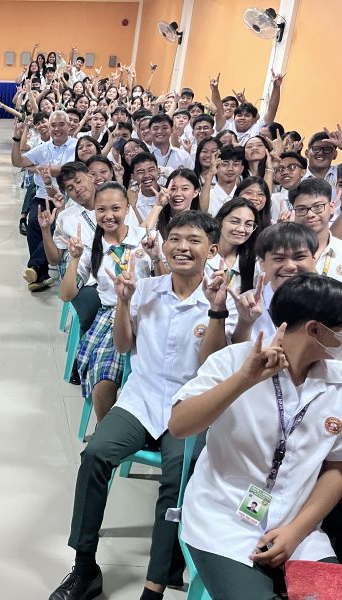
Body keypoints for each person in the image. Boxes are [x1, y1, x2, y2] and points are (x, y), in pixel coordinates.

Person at [49, 211, 236, 600]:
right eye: (176, 239)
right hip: (142, 397)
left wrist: (216, 311)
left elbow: (211, 365)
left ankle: (154, 586)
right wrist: (123, 302)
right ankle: (84, 567)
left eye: (194, 240)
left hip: (191, 406)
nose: (183, 247)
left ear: (212, 250)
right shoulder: (146, 288)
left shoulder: (221, 299)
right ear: (164, 244)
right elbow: (122, 346)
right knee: (95, 455)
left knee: (175, 483)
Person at [170, 273, 342, 599]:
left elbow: (337, 469)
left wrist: (296, 532)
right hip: (224, 521)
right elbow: (179, 425)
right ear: (315, 329)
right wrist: (243, 380)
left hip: (300, 527)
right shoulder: (235, 360)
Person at [63, 182, 155, 419]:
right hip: (111, 316)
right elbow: (67, 295)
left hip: (149, 313)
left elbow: (168, 283)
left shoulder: (146, 239)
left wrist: (158, 258)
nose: (109, 215)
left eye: (116, 208)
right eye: (101, 209)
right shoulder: (90, 246)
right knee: (104, 377)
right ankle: (105, 430)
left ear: (127, 208)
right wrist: (74, 260)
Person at [11, 111, 78, 291]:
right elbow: (17, 162)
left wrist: (43, 168)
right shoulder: (44, 147)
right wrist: (16, 140)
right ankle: (39, 274)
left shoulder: (77, 146)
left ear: (69, 126)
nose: (57, 129)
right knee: (33, 222)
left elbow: (68, 170)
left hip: (68, 198)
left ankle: (34, 268)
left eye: (61, 124)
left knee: (57, 225)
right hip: (43, 195)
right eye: (53, 125)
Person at [289, 178, 342, 288]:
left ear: (331, 208)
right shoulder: (279, 252)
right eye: (301, 209)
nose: (310, 214)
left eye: (318, 207)